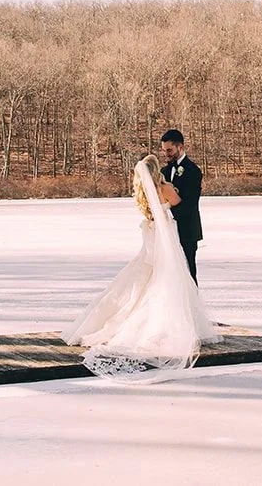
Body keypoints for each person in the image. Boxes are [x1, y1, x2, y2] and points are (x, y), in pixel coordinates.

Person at [61, 151, 220, 374]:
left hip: (151, 232)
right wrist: (173, 190)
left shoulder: (143, 191)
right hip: (164, 232)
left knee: (148, 271)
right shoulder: (164, 188)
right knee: (169, 273)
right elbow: (178, 203)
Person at [158, 128, 203, 283]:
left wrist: (169, 213)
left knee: (188, 272)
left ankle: (192, 306)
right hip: (168, 231)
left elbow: (190, 203)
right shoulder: (163, 171)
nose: (166, 154)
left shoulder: (193, 171)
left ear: (180, 147)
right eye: (164, 150)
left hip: (187, 230)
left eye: (169, 150)